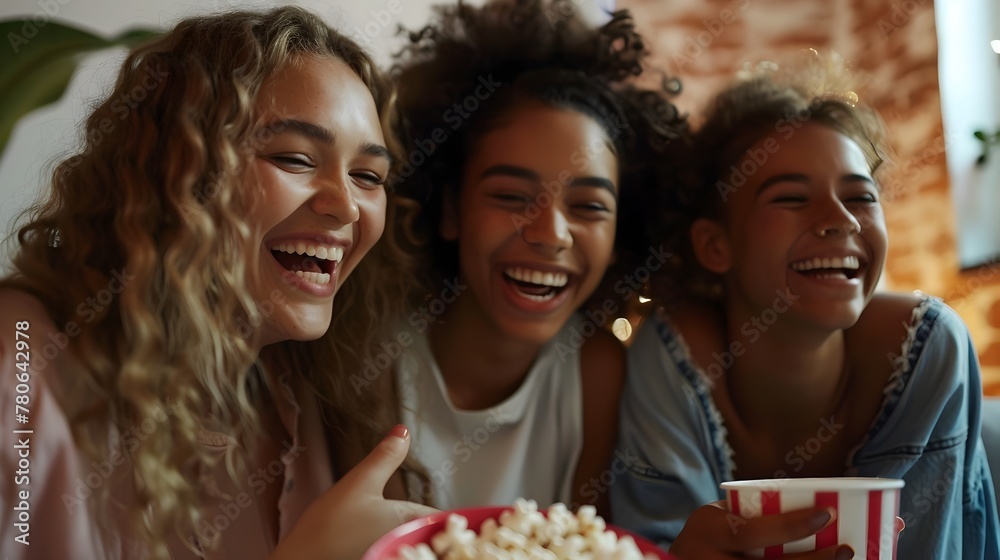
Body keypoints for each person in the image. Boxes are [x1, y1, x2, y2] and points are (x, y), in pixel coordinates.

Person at [0, 7, 433, 560]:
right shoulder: (20, 361)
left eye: (367, 176)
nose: (345, 205)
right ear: (176, 172)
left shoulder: (316, 388)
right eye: (295, 159)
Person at [609, 57, 1000, 559]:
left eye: (861, 197)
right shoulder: (668, 358)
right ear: (714, 245)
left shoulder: (925, 347)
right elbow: (652, 546)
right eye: (792, 198)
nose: (841, 220)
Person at [384, 0, 688, 518]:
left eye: (589, 206)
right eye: (510, 197)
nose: (551, 234)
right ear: (451, 209)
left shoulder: (596, 372)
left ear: (622, 234)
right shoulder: (373, 358)